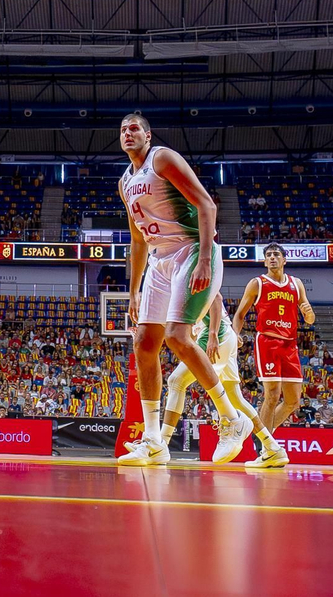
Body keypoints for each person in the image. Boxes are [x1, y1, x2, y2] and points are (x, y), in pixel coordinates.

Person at [114, 114, 248, 466]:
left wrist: (205, 258)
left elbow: (207, 204)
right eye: (123, 130)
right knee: (144, 342)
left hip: (191, 250)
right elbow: (137, 241)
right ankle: (154, 440)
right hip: (159, 261)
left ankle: (233, 420)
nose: (128, 134)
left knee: (176, 336)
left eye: (134, 129)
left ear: (147, 134)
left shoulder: (162, 158)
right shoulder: (125, 181)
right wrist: (133, 292)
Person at [154, 294, 286, 468]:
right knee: (235, 398)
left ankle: (161, 444)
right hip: (223, 333)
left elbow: (215, 297)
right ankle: (272, 448)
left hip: (216, 333)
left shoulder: (181, 272)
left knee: (176, 381)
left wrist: (213, 335)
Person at [232, 242, 316, 452]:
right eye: (268, 255)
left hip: (290, 344)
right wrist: (235, 335)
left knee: (293, 401)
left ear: (284, 260)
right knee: (272, 394)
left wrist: (308, 313)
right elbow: (240, 314)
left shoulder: (296, 284)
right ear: (264, 260)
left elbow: (310, 319)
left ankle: (260, 433)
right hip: (267, 342)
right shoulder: (257, 283)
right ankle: (266, 447)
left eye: (276, 254)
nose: (272, 258)